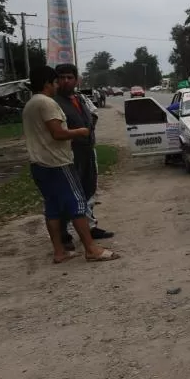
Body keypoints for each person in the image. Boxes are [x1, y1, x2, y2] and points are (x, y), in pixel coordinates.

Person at [22, 66, 119, 264]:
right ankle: (91, 249)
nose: (60, 84)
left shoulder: (30, 103)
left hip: (39, 164)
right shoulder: (47, 103)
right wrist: (79, 131)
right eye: (57, 81)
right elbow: (57, 133)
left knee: (53, 207)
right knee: (77, 203)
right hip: (57, 163)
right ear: (48, 83)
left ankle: (59, 252)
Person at [54, 64, 114, 247]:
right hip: (69, 154)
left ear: (76, 79)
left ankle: (90, 226)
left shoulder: (79, 98)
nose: (66, 81)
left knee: (89, 188)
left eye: (69, 77)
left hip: (88, 150)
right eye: (62, 77)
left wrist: (89, 127)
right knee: (69, 194)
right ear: (57, 80)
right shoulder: (54, 102)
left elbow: (93, 114)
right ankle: (64, 236)